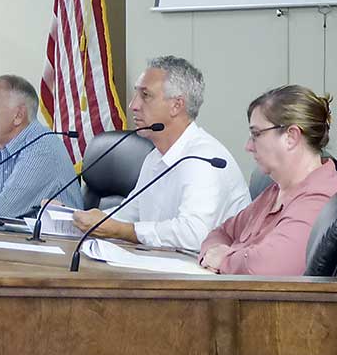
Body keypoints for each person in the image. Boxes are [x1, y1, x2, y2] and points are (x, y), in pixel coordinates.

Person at [72, 56, 250, 252]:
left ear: (176, 105)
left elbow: (195, 235)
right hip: (164, 269)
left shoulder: (204, 159)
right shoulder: (155, 157)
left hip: (204, 277)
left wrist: (124, 231)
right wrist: (71, 217)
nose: (133, 105)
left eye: (145, 95)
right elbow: (127, 214)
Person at [200, 85, 337, 275]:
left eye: (256, 134)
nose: (248, 146)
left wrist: (224, 258)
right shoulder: (275, 191)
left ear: (291, 137)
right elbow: (220, 233)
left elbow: (265, 267)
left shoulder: (319, 199)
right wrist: (220, 255)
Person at [0, 74, 82, 217]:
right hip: (1, 236)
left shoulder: (42, 148)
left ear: (18, 116)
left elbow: (4, 210)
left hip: (53, 239)